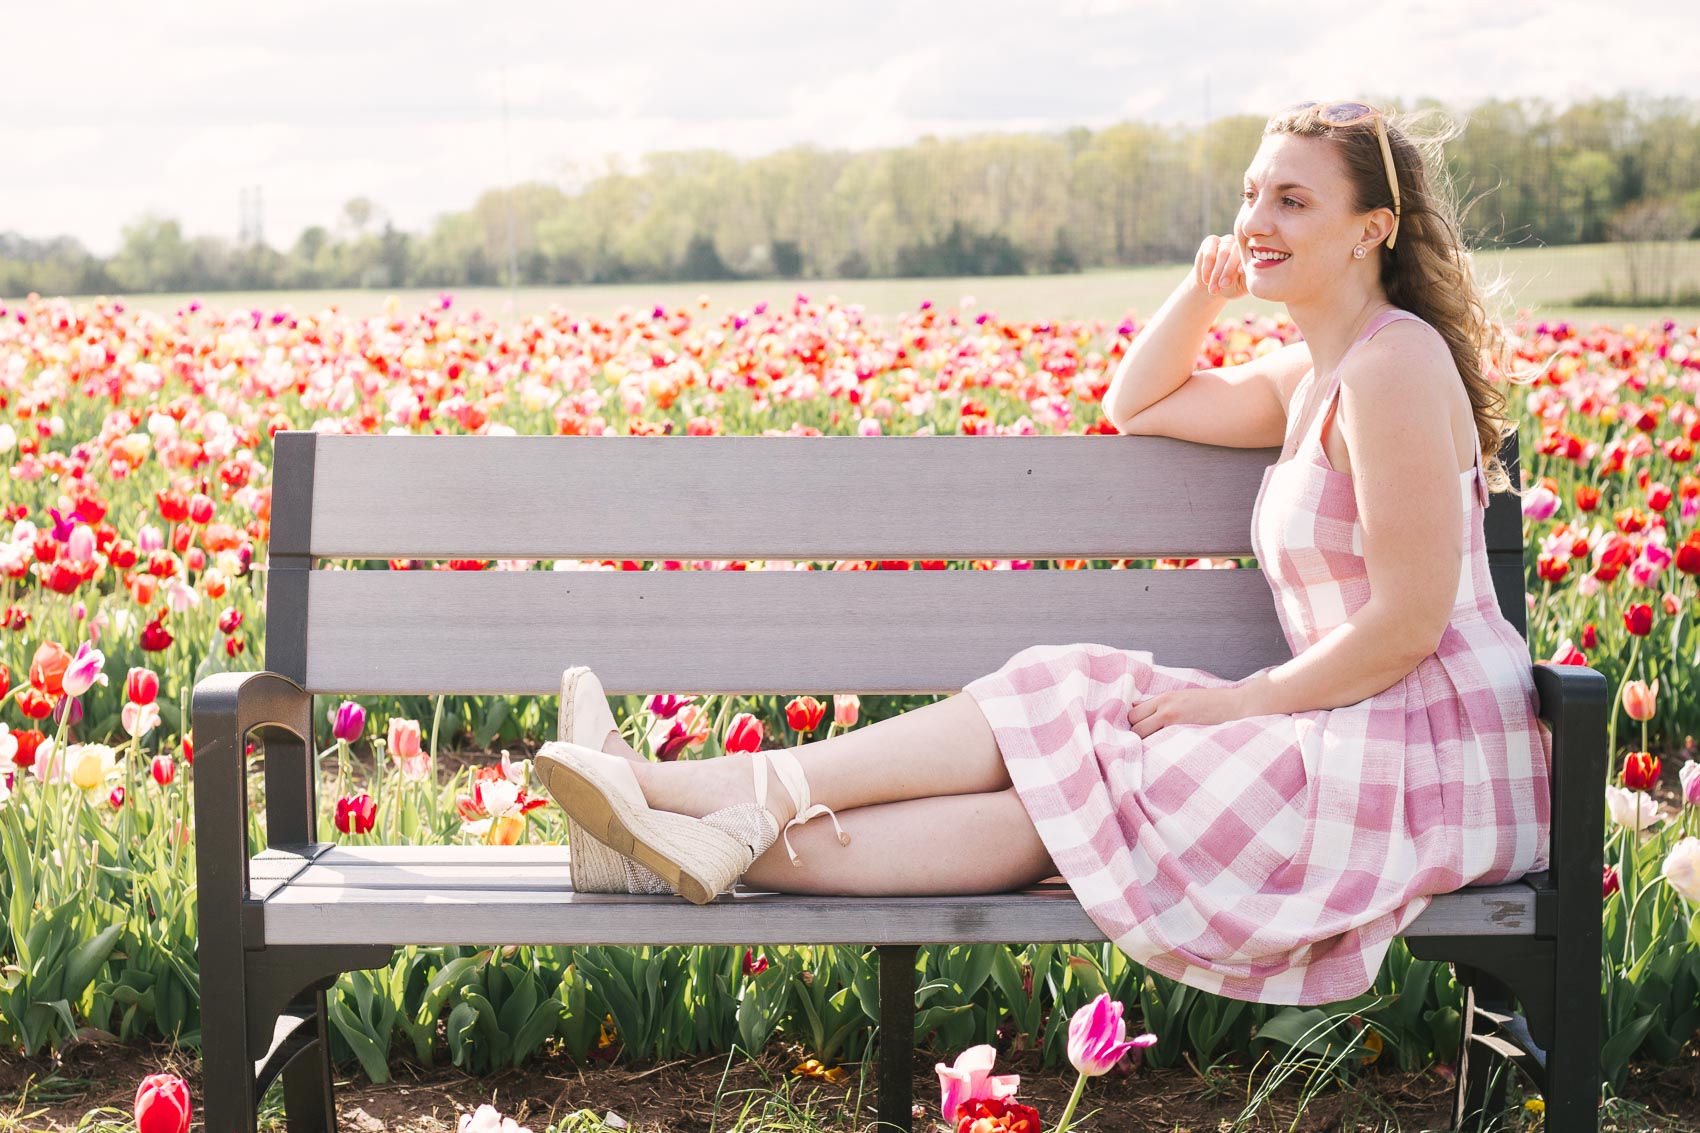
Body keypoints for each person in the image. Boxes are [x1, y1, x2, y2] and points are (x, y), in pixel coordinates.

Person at [536, 100, 1553, 1006]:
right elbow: (1137, 400)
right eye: (1250, 194)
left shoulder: (1393, 367)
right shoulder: (1310, 372)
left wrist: (1235, 702)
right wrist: (1202, 294)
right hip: (1337, 718)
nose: (1255, 221)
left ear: (1371, 228)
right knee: (1057, 690)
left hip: (1423, 754)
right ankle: (686, 811)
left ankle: (663, 802)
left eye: (1291, 200)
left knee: (1067, 797)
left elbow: (1409, 622)